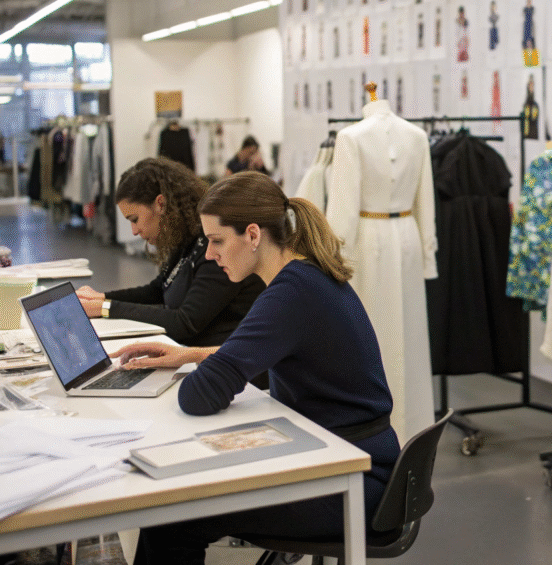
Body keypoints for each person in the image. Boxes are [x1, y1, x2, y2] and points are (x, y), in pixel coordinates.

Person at [113, 173, 399, 565]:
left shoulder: (289, 293)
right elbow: (273, 352)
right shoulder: (305, 275)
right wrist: (192, 354)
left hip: (354, 481)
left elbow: (199, 396)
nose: (210, 255)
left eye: (217, 241)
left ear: (252, 235)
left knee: (172, 514)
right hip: (353, 459)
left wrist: (207, 364)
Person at [75, 158, 264, 348]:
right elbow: (158, 289)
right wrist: (101, 298)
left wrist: (105, 307)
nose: (134, 231)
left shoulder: (214, 247)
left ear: (161, 204)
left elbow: (185, 322)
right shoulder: (187, 237)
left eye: (135, 219)